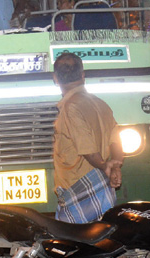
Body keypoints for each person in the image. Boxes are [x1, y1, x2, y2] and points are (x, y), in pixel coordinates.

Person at [52, 52, 123, 223]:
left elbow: (88, 150)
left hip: (79, 188)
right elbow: (116, 138)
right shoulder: (100, 103)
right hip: (100, 186)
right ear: (83, 76)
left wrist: (105, 166)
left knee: (71, 242)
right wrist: (116, 164)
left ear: (55, 78)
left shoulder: (70, 107)